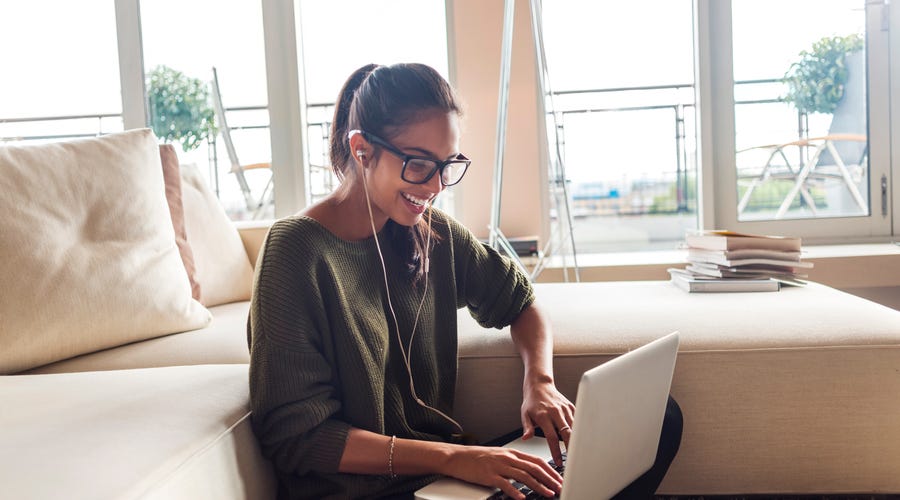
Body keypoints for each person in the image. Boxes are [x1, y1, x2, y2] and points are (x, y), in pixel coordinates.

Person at [248, 62, 681, 500]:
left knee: (655, 417)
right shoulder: (295, 252)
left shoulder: (431, 231)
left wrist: (540, 383)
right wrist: (453, 459)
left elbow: (521, 301)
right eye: (418, 164)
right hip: (374, 491)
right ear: (361, 149)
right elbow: (297, 438)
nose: (435, 185)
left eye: (446, 164)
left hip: (449, 478)